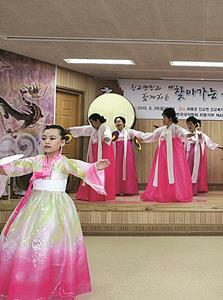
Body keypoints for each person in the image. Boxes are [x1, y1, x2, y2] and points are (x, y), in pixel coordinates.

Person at [0, 125, 109, 299]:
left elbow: (81, 168)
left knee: (51, 242)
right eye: (44, 138)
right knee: (28, 240)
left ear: (62, 142)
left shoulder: (64, 162)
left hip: (57, 207)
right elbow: (15, 167)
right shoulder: (35, 160)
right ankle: (28, 280)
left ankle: (51, 282)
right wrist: (4, 168)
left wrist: (95, 167)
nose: (47, 142)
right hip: (34, 205)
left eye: (52, 138)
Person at [140, 108, 193, 202]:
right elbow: (152, 136)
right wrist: (141, 138)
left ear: (170, 118)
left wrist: (190, 134)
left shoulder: (176, 128)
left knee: (175, 174)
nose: (163, 119)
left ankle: (175, 194)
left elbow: (184, 134)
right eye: (163, 116)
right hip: (161, 156)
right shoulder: (161, 130)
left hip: (173, 157)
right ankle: (162, 193)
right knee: (162, 174)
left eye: (164, 117)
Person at [68, 113, 116, 201]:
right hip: (95, 151)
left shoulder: (104, 127)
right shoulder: (94, 129)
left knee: (102, 171)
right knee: (91, 169)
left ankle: (100, 194)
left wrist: (107, 138)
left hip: (104, 151)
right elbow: (83, 129)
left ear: (97, 121)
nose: (91, 124)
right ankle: (90, 193)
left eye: (92, 122)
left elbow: (107, 133)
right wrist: (70, 130)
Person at [184, 117, 223, 195]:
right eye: (188, 124)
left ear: (195, 125)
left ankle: (193, 190)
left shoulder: (200, 134)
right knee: (187, 172)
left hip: (196, 154)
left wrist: (217, 146)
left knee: (195, 172)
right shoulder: (185, 134)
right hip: (187, 154)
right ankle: (186, 190)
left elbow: (209, 142)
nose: (189, 126)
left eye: (191, 124)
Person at [113, 116, 144, 195]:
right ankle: (117, 190)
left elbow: (140, 134)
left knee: (128, 168)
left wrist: (146, 136)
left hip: (127, 153)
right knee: (117, 169)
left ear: (123, 123)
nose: (118, 123)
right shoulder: (114, 133)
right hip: (117, 153)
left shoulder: (129, 131)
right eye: (116, 122)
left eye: (119, 121)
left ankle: (128, 190)